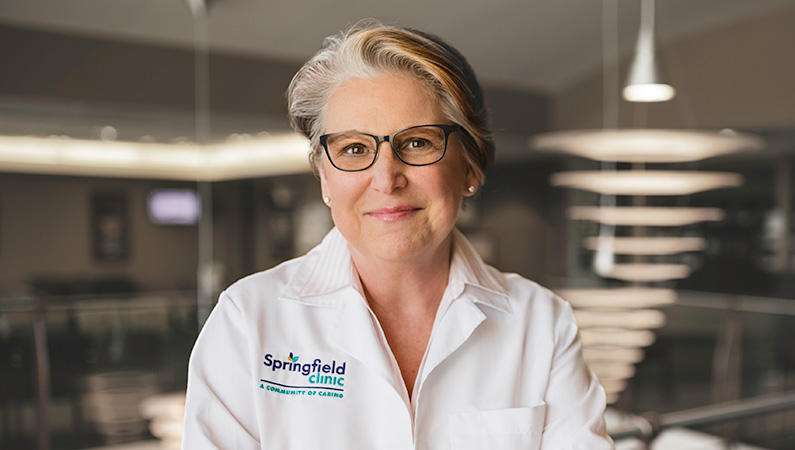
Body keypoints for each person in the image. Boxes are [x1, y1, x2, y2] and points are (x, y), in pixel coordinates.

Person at [182, 20, 613, 450]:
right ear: (324, 180)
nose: (386, 178)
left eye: (419, 142)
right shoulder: (246, 322)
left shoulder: (543, 325)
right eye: (354, 148)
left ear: (470, 167)